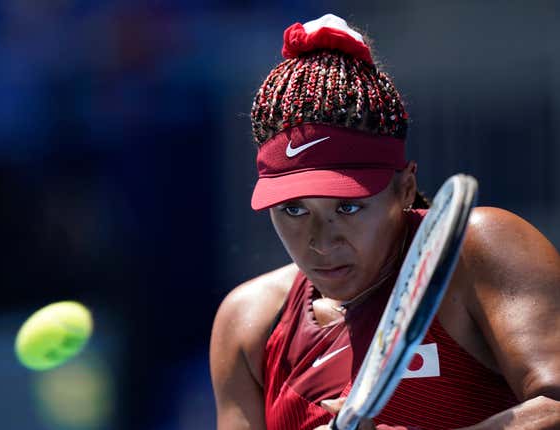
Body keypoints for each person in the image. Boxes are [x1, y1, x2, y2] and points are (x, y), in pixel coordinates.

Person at [210, 13, 560, 430]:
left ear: (405, 189)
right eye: (294, 210)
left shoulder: (480, 248)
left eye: (348, 207)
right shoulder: (247, 322)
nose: (320, 242)